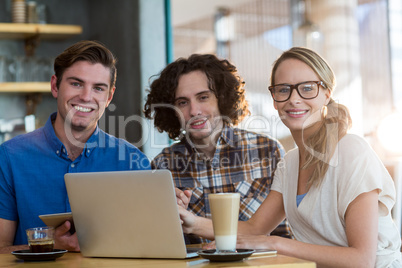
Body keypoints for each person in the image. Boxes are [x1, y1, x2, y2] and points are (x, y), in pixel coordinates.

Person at [178, 47, 402, 267]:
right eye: (284, 90)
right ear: (274, 99)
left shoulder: (352, 151)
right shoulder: (290, 163)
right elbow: (255, 230)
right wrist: (193, 223)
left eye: (307, 88)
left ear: (327, 94)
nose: (294, 99)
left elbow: (361, 260)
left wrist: (275, 243)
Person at [0, 40, 150, 253]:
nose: (86, 97)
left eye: (98, 88)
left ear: (109, 97)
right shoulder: (9, 157)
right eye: (76, 84)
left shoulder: (132, 162)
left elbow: (145, 246)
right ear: (55, 86)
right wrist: (49, 246)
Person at [144, 54, 291, 243]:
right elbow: (161, 242)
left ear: (221, 98)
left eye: (203, 97)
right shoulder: (163, 166)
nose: (194, 111)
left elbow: (283, 235)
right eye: (182, 102)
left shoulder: (267, 151)